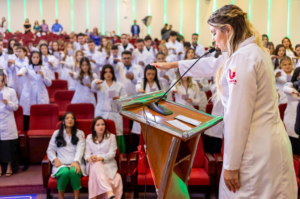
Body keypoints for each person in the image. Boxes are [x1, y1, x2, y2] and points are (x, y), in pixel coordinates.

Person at [154, 5, 297, 198]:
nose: (212, 39)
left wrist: (230, 166)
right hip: (266, 143)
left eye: (214, 32)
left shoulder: (243, 59)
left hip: (255, 149)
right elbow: (216, 63)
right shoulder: (251, 51)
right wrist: (176, 65)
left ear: (228, 29)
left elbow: (237, 117)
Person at [47, 112, 86, 199]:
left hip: (76, 162)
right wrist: (54, 159)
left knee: (74, 171)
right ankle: (61, 197)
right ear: (63, 122)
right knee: (64, 173)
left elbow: (81, 149)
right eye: (67, 118)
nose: (70, 120)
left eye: (72, 118)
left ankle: (77, 198)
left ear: (74, 121)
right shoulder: (56, 133)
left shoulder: (80, 133)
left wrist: (76, 162)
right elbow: (50, 150)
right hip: (61, 163)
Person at [91, 64, 127, 153]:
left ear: (113, 73)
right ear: (102, 74)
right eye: (106, 72)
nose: (108, 74)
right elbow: (93, 87)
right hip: (101, 112)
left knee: (116, 132)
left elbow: (125, 98)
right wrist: (95, 82)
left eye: (110, 72)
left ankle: (119, 155)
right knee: (100, 132)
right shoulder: (100, 84)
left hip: (115, 113)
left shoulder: (119, 85)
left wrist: (119, 98)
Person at [85, 116, 123, 199]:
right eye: (98, 125)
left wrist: (100, 158)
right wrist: (89, 158)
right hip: (93, 163)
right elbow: (86, 154)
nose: (101, 126)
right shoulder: (89, 138)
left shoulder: (111, 137)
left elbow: (112, 153)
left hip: (108, 164)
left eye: (102, 124)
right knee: (95, 164)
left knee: (96, 166)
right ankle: (108, 190)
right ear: (94, 127)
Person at [18, 51, 52, 130]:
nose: (36, 59)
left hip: (41, 94)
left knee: (41, 115)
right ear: (31, 58)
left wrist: (43, 76)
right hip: (29, 94)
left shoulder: (45, 68)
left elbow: (49, 83)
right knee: (28, 115)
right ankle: (27, 133)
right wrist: (20, 73)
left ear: (40, 58)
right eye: (34, 57)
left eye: (37, 57)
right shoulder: (27, 66)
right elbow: (23, 69)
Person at [0, 71, 19, 177]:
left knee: (8, 145)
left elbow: (16, 107)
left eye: (2, 80)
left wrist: (8, 103)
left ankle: (9, 166)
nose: (0, 83)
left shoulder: (11, 91)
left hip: (7, 121)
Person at [283, 67, 300, 152]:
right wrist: (293, 90)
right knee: (293, 147)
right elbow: (285, 88)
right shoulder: (290, 84)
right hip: (292, 120)